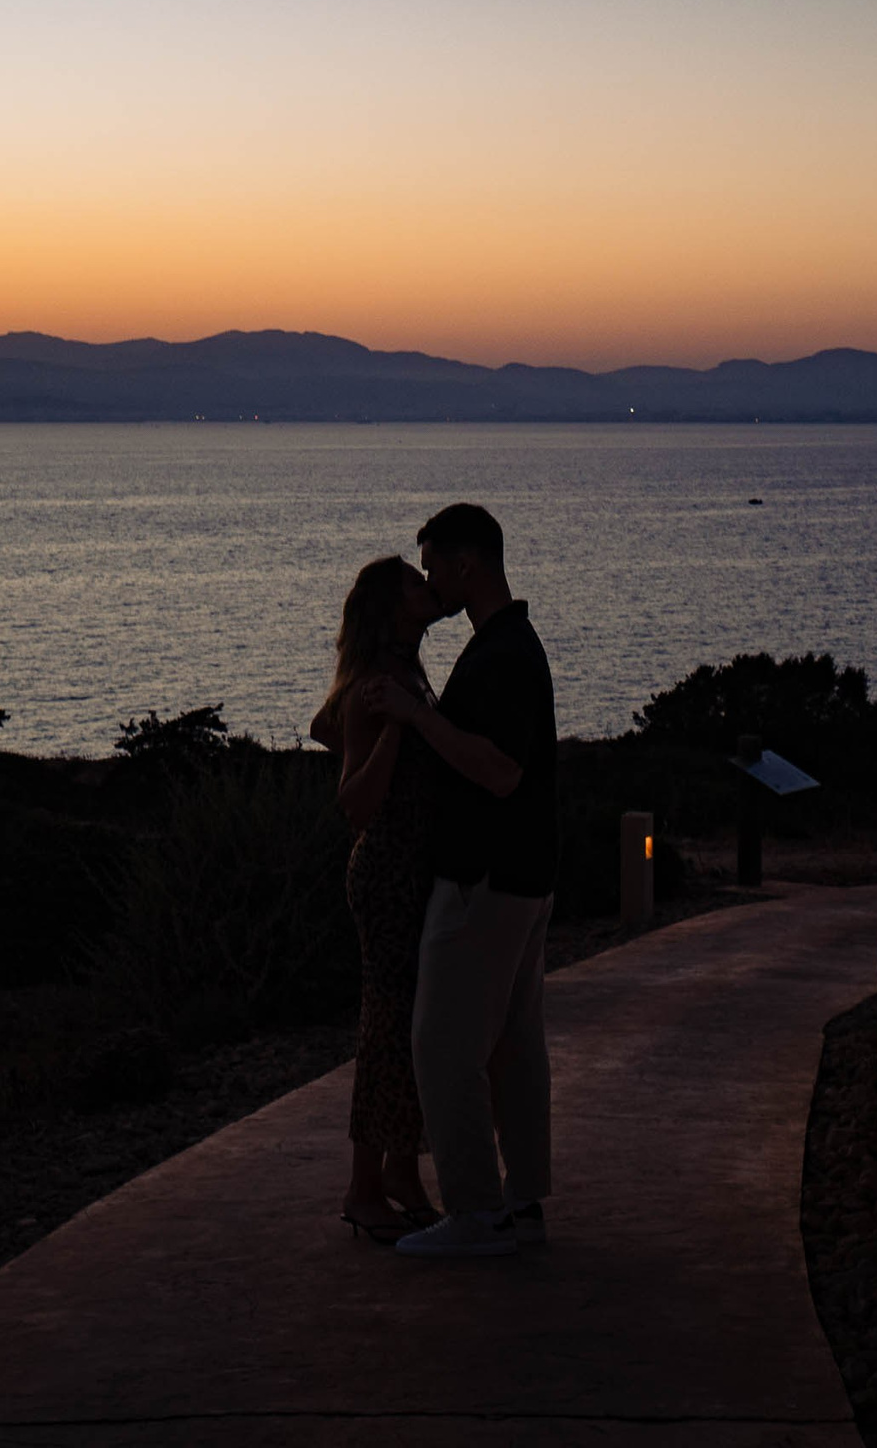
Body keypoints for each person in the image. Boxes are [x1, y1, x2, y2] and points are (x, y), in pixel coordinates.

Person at [376, 503, 558, 1259]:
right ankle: (521, 1203)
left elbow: (501, 769)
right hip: (524, 874)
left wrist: (418, 718)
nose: (427, 581)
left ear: (466, 564)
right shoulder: (510, 643)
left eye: (432, 567)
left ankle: (477, 1211)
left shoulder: (502, 654)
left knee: (442, 1045)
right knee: (513, 1046)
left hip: (485, 881)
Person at [311, 555, 446, 1241]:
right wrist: (398, 727)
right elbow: (356, 803)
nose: (430, 586)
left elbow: (322, 724)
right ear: (396, 607)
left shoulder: (402, 671)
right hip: (389, 869)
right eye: (417, 583)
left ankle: (402, 1171)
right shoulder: (383, 682)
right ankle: (364, 1185)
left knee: (413, 1024)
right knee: (389, 1025)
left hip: (413, 871)